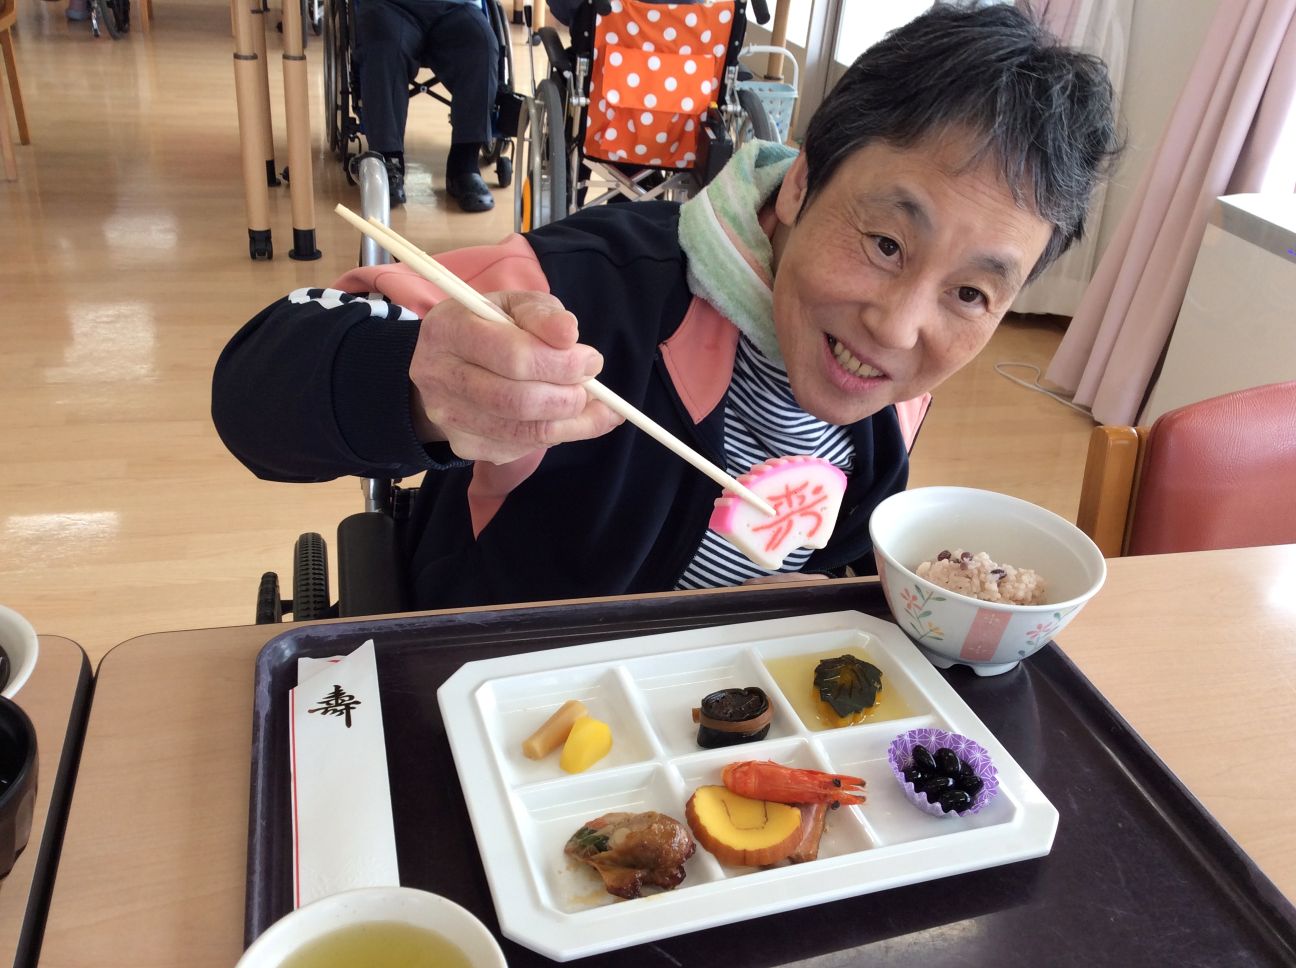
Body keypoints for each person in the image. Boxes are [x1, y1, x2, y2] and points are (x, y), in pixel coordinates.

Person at [212, 3, 1119, 611]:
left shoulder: (897, 390)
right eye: (885, 243)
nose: (899, 327)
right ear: (801, 184)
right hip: (491, 700)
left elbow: (841, 564)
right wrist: (418, 390)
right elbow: (253, 389)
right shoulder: (577, 291)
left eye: (970, 293)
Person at [354, 0, 499, 210]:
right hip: (390, 6)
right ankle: (388, 160)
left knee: (480, 43)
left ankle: (465, 164)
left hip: (455, 6)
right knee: (383, 45)